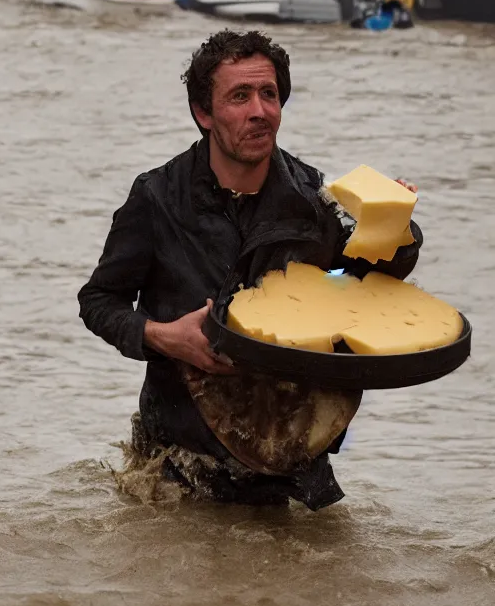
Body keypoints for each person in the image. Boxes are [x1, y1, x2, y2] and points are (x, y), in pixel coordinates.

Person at [78, 30, 422, 511]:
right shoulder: (156, 198)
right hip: (179, 460)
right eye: (239, 96)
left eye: (269, 94)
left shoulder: (315, 198)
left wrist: (398, 228)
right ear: (204, 113)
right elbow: (98, 302)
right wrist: (161, 335)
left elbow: (365, 284)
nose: (259, 111)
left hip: (291, 455)